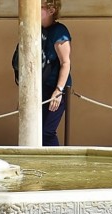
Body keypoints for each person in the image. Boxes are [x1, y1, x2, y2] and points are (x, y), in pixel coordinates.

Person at [40, 1, 71, 146]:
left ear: (51, 10)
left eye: (39, 7)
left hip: (54, 88)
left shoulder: (60, 31)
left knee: (47, 131)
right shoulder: (36, 29)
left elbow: (65, 62)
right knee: (37, 131)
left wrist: (58, 91)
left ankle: (55, 165)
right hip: (39, 87)